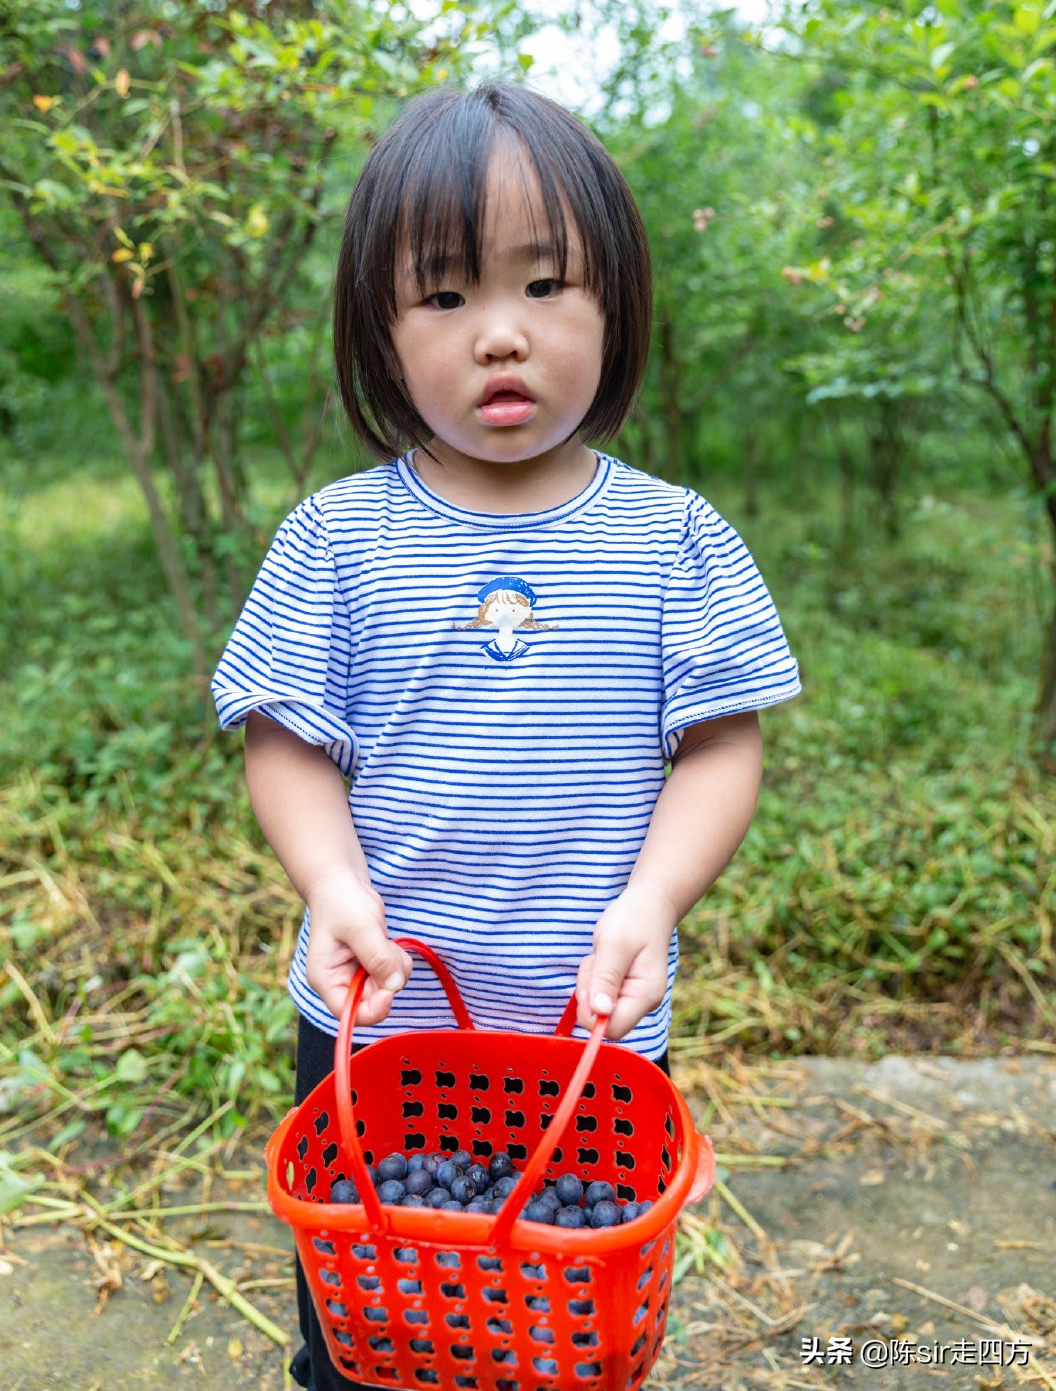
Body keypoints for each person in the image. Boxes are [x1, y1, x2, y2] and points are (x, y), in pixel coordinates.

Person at [211, 80, 801, 1391]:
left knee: (565, 1326)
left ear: (615, 304)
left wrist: (653, 900)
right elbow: (285, 739)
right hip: (381, 1030)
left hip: (591, 1029)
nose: (499, 335)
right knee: (371, 1329)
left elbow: (720, 744)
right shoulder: (337, 540)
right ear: (379, 327)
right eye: (443, 295)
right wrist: (332, 885)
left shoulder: (672, 541)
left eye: (545, 285)